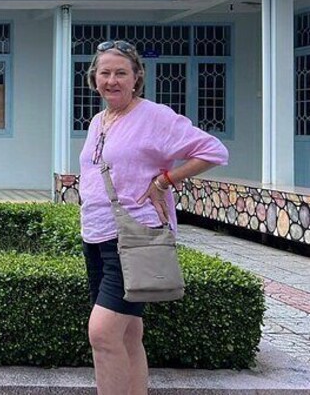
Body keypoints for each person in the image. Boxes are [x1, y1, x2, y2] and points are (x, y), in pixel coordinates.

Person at [78, 40, 228, 395]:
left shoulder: (154, 116)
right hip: (97, 236)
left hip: (135, 238)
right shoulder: (99, 120)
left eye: (120, 73)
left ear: (136, 78)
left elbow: (213, 150)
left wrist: (165, 180)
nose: (111, 80)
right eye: (104, 73)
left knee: (102, 333)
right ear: (93, 78)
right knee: (129, 332)